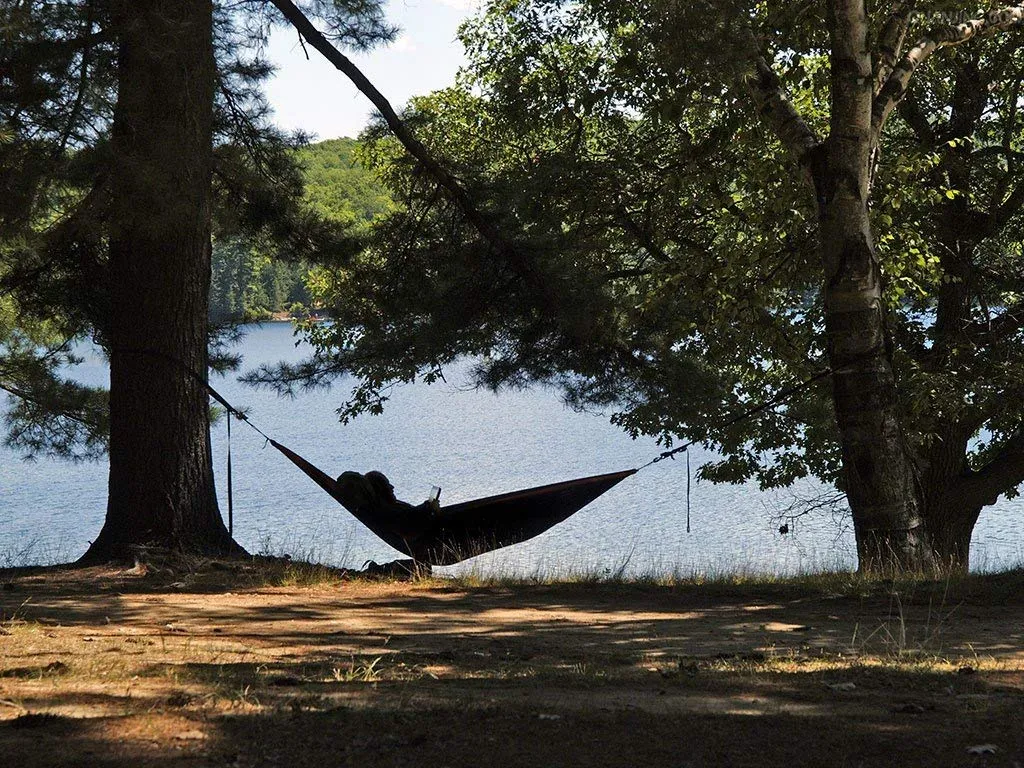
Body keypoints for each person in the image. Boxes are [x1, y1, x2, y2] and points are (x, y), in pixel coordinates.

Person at [335, 470, 441, 542]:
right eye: (387, 485)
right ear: (380, 491)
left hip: (428, 526)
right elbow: (406, 520)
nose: (392, 487)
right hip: (433, 534)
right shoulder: (381, 512)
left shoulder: (382, 508)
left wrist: (427, 507)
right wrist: (429, 508)